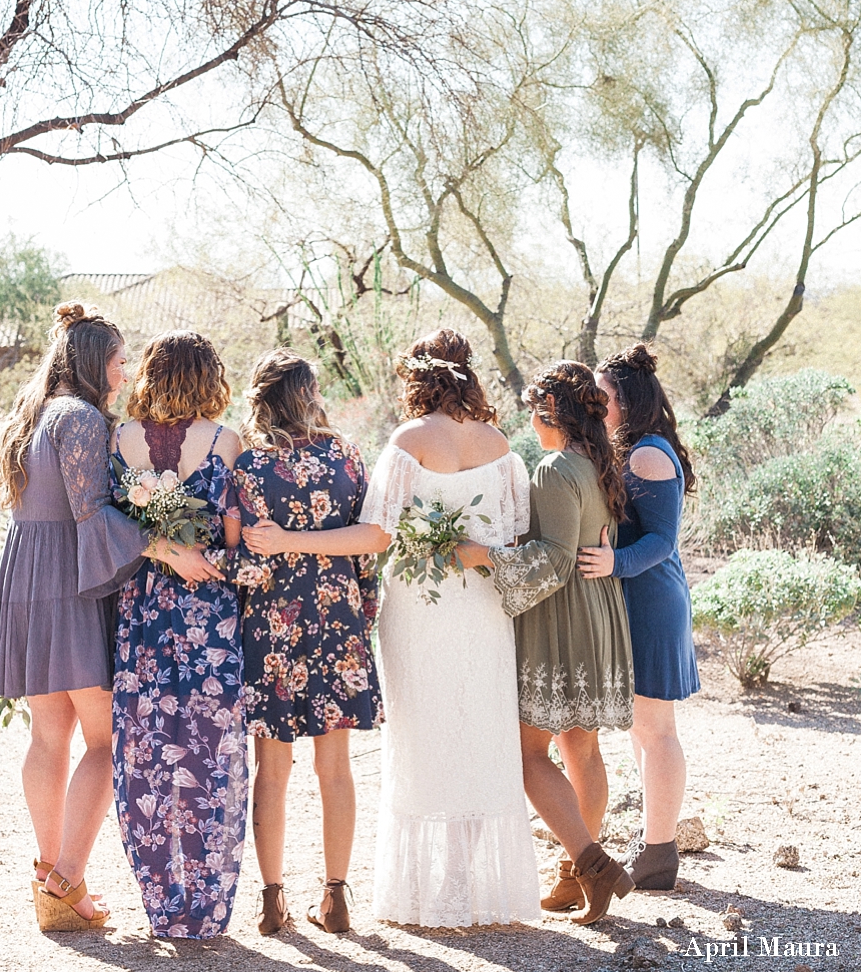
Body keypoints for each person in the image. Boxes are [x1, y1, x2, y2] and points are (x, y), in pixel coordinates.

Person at [0, 303, 213, 932]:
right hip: (66, 588)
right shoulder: (80, 418)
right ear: (91, 363)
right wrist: (169, 548)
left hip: (26, 578)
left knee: (48, 734)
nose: (124, 370)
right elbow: (91, 514)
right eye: (117, 360)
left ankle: (47, 872)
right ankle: (67, 881)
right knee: (107, 740)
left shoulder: (31, 413)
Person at [356, 329, 540, 930]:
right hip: (484, 607)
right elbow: (512, 537)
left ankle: (429, 892)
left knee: (421, 735)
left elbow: (376, 530)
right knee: (479, 730)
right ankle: (466, 881)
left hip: (417, 605)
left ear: (419, 375)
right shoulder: (501, 445)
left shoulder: (408, 440)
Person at [458, 360, 634, 925]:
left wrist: (483, 555)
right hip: (597, 611)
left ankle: (590, 865)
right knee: (582, 749)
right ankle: (571, 878)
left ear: (549, 412)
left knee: (528, 753)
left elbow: (556, 559)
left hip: (562, 620)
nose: (530, 424)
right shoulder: (596, 462)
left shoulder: (555, 468)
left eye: (534, 412)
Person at [235, 351, 384, 936]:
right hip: (336, 622)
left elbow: (244, 562)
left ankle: (272, 900)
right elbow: (371, 542)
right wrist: (361, 604)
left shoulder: (248, 467)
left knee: (271, 771)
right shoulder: (344, 456)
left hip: (272, 625)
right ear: (308, 395)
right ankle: (337, 895)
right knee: (336, 769)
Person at [111, 330, 247, 940]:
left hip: (141, 613)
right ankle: (208, 908)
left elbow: (110, 526)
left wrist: (160, 548)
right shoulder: (226, 442)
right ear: (209, 377)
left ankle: (163, 907)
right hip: (209, 609)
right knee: (211, 757)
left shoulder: (121, 440)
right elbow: (235, 533)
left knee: (144, 753)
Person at [577, 343, 700, 891]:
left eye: (602, 395)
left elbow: (662, 542)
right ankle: (654, 843)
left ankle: (659, 853)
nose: (594, 403)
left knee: (656, 729)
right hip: (631, 600)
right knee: (642, 730)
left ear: (627, 400)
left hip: (652, 602)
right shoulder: (626, 449)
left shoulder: (648, 453)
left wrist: (613, 562)